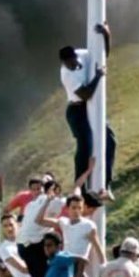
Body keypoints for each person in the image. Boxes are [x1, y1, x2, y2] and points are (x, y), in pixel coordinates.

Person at [58, 26, 117, 194]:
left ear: (75, 56)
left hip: (92, 106)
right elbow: (85, 95)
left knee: (110, 141)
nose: (71, 66)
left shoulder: (83, 55)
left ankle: (105, 184)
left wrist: (106, 35)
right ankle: (80, 187)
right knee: (85, 145)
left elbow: (103, 56)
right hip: (77, 110)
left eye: (72, 62)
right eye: (67, 64)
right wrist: (98, 76)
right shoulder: (67, 75)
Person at [38, 191, 106, 277]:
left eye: (79, 208)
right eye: (73, 207)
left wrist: (104, 268)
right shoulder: (64, 222)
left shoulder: (88, 225)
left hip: (78, 266)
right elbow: (40, 220)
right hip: (64, 265)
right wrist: (47, 201)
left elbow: (98, 249)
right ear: (68, 208)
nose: (76, 211)